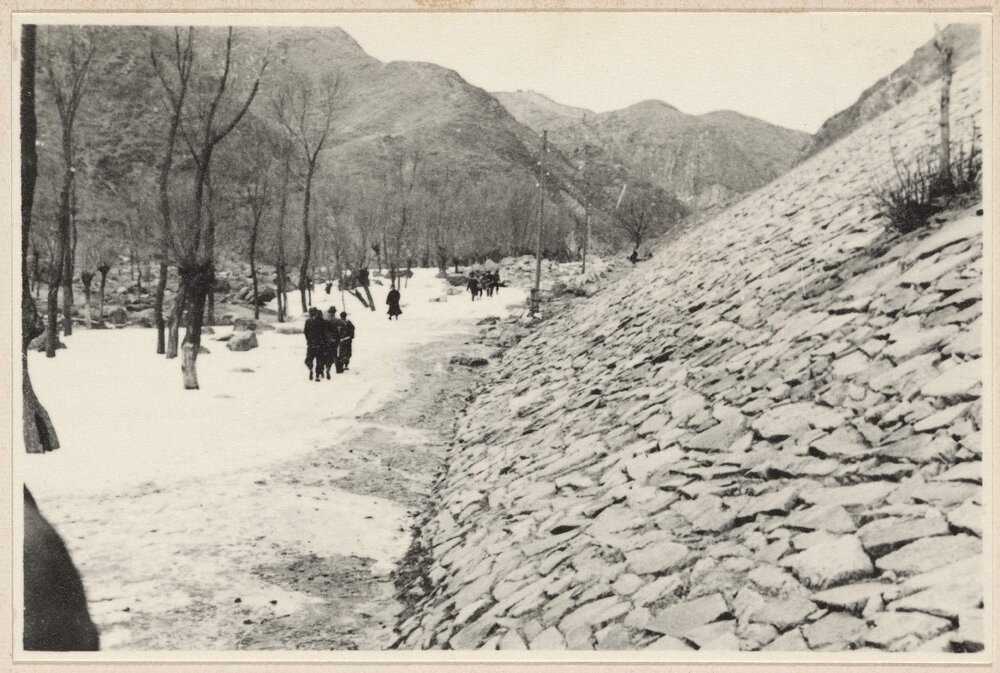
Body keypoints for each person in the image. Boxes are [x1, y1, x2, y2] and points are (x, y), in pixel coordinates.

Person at [303, 307, 327, 381]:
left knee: (308, 359)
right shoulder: (321, 320)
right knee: (320, 360)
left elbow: (305, 332)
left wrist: (308, 340)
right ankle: (317, 375)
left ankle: (310, 369)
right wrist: (324, 342)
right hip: (320, 344)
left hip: (311, 344)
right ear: (316, 312)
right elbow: (324, 332)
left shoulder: (307, 321)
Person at [324, 307, 347, 375]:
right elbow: (345, 325)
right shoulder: (337, 320)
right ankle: (339, 369)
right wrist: (341, 334)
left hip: (327, 340)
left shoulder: (325, 320)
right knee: (335, 354)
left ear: (329, 312)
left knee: (328, 354)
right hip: (335, 340)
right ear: (334, 313)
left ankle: (328, 368)